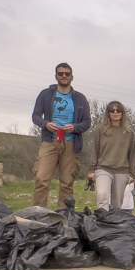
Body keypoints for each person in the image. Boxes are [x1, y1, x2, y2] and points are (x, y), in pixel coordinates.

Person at [31, 62, 91, 208]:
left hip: (71, 143)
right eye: (60, 73)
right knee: (41, 179)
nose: (64, 76)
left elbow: (87, 122)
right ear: (56, 76)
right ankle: (39, 214)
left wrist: (75, 127)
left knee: (67, 182)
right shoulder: (45, 94)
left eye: (67, 74)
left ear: (72, 76)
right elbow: (35, 116)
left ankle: (64, 215)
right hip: (50, 141)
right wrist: (46, 124)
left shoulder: (80, 98)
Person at [87, 101, 135, 210]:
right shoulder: (100, 130)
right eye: (112, 110)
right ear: (108, 113)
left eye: (118, 110)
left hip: (122, 170)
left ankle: (112, 225)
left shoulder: (129, 133)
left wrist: (133, 174)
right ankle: (102, 220)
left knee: (117, 204)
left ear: (122, 113)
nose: (115, 113)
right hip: (103, 168)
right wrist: (91, 169)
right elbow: (94, 150)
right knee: (102, 195)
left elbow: (133, 154)